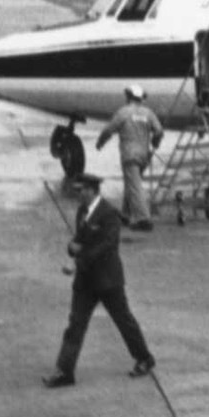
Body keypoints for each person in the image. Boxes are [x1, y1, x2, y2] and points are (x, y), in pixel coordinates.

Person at [43, 174, 155, 387]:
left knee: (123, 321)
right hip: (86, 282)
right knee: (75, 324)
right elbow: (80, 240)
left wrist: (78, 261)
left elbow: (105, 246)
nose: (78, 194)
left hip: (107, 281)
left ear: (92, 191)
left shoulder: (109, 215)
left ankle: (144, 358)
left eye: (81, 190)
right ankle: (65, 371)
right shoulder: (82, 211)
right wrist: (71, 248)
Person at [94, 83, 163, 230]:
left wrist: (100, 142)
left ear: (128, 97)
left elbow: (109, 129)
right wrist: (154, 143)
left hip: (129, 155)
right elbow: (159, 131)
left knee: (134, 185)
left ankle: (143, 219)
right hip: (144, 155)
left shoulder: (124, 112)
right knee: (131, 182)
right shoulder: (148, 113)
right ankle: (126, 214)